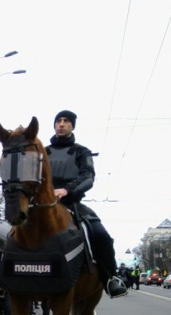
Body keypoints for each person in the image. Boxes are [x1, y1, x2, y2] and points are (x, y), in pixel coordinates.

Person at [47, 110, 127, 298]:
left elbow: (88, 176)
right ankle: (5, 279)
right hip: (42, 203)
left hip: (72, 202)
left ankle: (111, 278)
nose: (61, 124)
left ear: (72, 126)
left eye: (66, 121)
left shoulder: (81, 151)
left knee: (101, 235)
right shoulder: (43, 151)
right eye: (58, 121)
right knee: (12, 230)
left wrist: (66, 189)